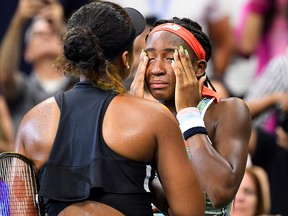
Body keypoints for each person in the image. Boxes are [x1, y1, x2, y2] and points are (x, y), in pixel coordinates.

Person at [13, 1, 205, 216]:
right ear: (125, 59)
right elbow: (191, 212)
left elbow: (14, 209)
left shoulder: (32, 122)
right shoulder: (153, 118)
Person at [131, 17, 252, 215]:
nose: (156, 69)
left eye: (170, 59)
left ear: (199, 68)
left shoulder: (228, 111)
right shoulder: (146, 116)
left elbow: (220, 192)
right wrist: (133, 116)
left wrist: (188, 114)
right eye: (150, 58)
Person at [0, 0, 77, 135]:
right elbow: (5, 74)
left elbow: (89, 63)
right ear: (27, 52)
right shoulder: (22, 90)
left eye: (53, 33)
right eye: (38, 34)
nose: (46, 34)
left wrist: (61, 27)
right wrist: (18, 20)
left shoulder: (79, 85)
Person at [249, 122, 288, 215]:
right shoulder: (275, 146)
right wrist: (273, 105)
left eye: (248, 192)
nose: (240, 198)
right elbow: (235, 126)